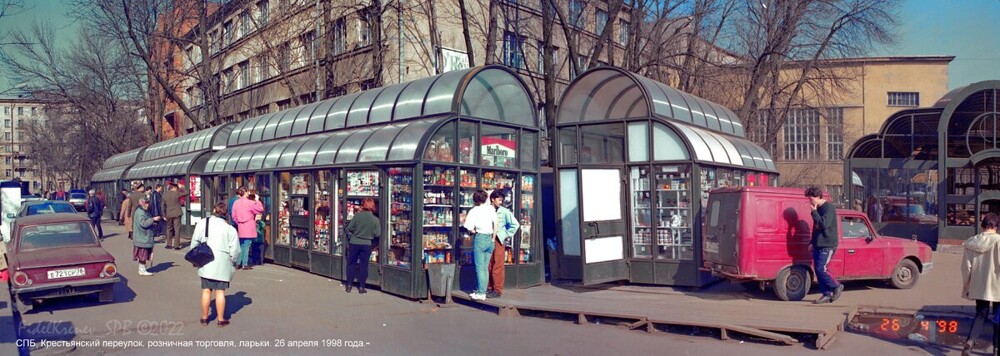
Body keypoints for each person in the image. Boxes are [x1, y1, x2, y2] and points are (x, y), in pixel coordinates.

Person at [190, 202, 241, 328]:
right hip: (222, 263)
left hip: (206, 260)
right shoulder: (230, 229)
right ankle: (220, 319)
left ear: (214, 210)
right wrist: (232, 260)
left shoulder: (203, 223)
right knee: (220, 292)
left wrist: (195, 258)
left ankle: (204, 317)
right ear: (226, 214)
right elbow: (235, 250)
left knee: (206, 291)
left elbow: (195, 241)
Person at [961, 213, 1000, 355]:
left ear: (982, 226)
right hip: (997, 285)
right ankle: (996, 348)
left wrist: (967, 285)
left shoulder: (971, 242)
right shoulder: (999, 241)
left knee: (980, 315)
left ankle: (970, 342)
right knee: (997, 317)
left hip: (979, 285)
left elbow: (966, 268)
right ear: (996, 227)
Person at [806, 186, 843, 304]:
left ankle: (836, 286)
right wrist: (812, 242)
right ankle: (826, 294)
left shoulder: (829, 208)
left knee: (821, 269)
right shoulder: (817, 209)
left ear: (818, 197)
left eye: (811, 199)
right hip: (818, 244)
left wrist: (814, 212)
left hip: (828, 244)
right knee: (818, 270)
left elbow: (824, 224)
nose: (810, 202)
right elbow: (816, 228)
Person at [462, 189, 497, 301]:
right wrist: (493, 238)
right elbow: (496, 223)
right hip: (490, 238)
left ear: (475, 200)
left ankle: (481, 292)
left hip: (480, 238)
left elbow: (468, 226)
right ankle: (482, 290)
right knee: (485, 268)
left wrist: (474, 231)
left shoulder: (474, 211)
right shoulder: (490, 209)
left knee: (479, 268)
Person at [487, 190, 519, 299]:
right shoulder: (486, 210)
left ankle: (497, 289)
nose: (501, 202)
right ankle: (488, 287)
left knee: (498, 264)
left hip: (498, 239)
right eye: (499, 200)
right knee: (488, 263)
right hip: (487, 238)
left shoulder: (505, 211)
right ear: (492, 199)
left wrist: (505, 234)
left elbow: (515, 225)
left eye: (502, 200)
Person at [344, 198, 380, 294]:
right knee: (364, 266)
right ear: (372, 206)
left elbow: (350, 228)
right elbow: (377, 234)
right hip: (366, 244)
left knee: (351, 264)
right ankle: (361, 287)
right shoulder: (375, 219)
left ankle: (349, 285)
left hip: (354, 242)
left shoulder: (357, 216)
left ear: (363, 205)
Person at [232, 189, 264, 270]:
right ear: (245, 193)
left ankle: (239, 262)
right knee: (247, 245)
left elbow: (233, 216)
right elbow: (260, 209)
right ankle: (244, 263)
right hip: (249, 225)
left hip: (241, 226)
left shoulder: (236, 202)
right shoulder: (250, 203)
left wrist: (239, 222)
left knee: (243, 245)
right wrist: (257, 200)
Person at [132, 197, 161, 276]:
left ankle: (142, 268)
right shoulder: (140, 212)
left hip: (143, 236)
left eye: (148, 203)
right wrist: (153, 219)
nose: (147, 205)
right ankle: (142, 270)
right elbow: (143, 223)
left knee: (143, 253)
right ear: (141, 203)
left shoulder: (143, 211)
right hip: (142, 237)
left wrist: (153, 221)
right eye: (146, 203)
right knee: (142, 254)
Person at [162, 182, 189, 250]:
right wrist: (182, 187)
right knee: (177, 229)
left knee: (169, 229)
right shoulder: (177, 193)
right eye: (176, 187)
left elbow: (163, 206)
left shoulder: (164, 195)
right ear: (173, 188)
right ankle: (176, 245)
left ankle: (169, 244)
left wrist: (163, 215)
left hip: (168, 214)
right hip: (177, 213)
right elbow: (186, 192)